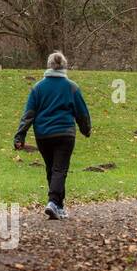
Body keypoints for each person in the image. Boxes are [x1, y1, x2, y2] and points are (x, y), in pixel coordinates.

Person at [13, 51, 91, 220]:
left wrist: (20, 136)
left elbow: (29, 114)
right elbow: (82, 112)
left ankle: (59, 206)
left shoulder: (38, 88)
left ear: (48, 66)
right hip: (65, 134)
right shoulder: (71, 87)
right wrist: (86, 129)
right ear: (64, 66)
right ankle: (53, 202)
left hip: (43, 135)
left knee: (52, 169)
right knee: (59, 169)